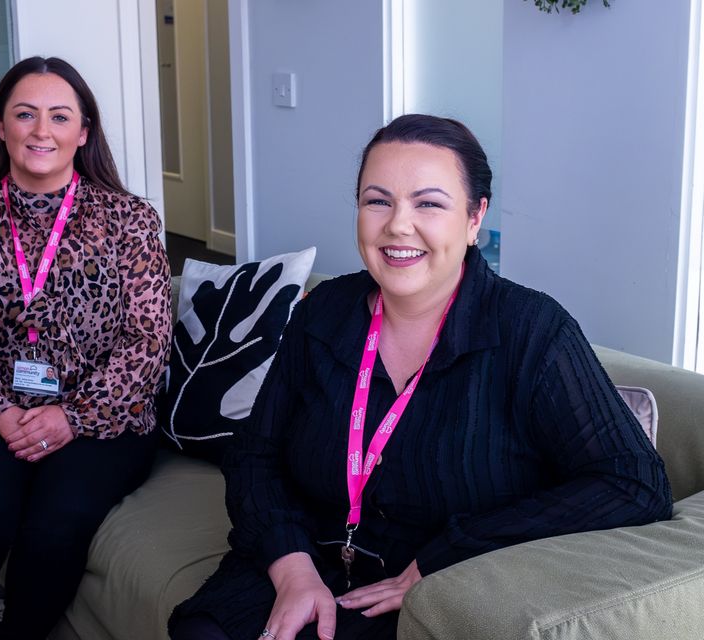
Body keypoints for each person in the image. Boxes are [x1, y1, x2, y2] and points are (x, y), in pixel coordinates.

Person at [169, 114, 672, 640]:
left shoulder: (531, 330)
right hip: (300, 559)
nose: (397, 225)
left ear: (475, 218)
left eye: (428, 203)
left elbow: (634, 482)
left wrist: (453, 552)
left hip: (433, 593)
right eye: (377, 200)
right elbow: (254, 453)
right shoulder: (325, 313)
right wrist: (292, 567)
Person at [0, 56, 171, 640]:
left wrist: (70, 416)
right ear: (1, 126)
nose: (41, 131)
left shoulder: (129, 220)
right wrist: (3, 415)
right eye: (25, 114)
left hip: (101, 418)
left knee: (57, 523)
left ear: (83, 132)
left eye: (59, 116)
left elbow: (148, 342)